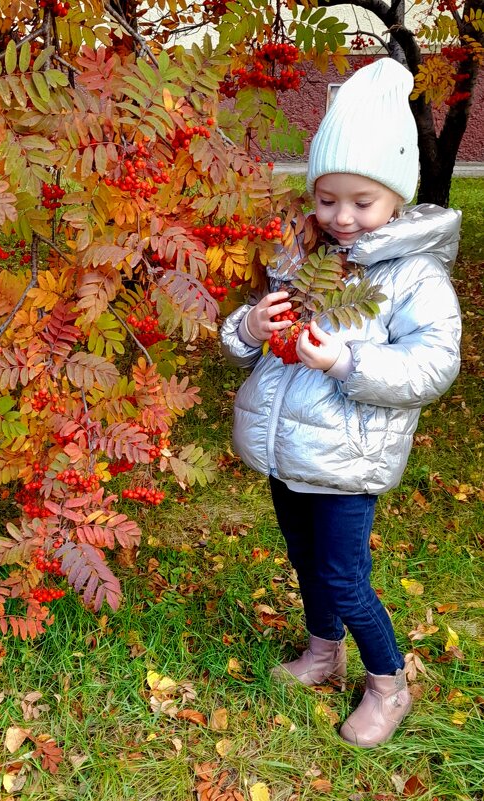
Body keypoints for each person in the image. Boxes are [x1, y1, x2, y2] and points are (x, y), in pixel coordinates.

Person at [220, 58, 462, 748]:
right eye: (328, 200)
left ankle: (388, 682)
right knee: (304, 558)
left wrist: (346, 360)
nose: (342, 217)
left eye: (362, 201)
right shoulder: (301, 254)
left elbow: (431, 364)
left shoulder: (414, 275)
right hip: (286, 446)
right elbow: (249, 336)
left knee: (345, 576)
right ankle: (324, 653)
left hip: (348, 458)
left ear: (397, 196)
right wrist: (250, 328)